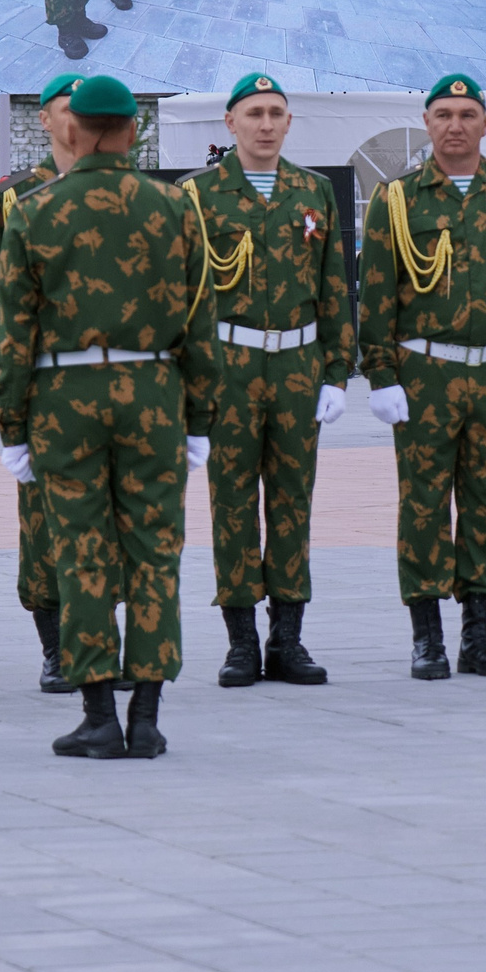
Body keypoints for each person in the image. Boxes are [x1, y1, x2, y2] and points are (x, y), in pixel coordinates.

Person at [0, 74, 218, 759]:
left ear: (74, 128)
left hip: (66, 398)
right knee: (157, 546)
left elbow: (15, 333)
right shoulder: (177, 207)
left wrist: (12, 426)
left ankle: (97, 712)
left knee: (80, 548)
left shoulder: (33, 211)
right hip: (152, 388)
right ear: (132, 130)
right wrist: (201, 416)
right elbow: (198, 319)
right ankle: (146, 714)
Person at [358, 74, 486, 679]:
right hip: (424, 374)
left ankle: (479, 635)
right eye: (443, 114)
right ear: (426, 122)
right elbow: (375, 294)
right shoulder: (396, 199)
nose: (455, 125)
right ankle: (427, 638)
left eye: (467, 114)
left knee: (485, 503)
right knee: (422, 505)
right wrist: (381, 374)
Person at [183, 75, 353, 686]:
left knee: (291, 503)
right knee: (230, 502)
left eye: (276, 113)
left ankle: (288, 639)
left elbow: (335, 284)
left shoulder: (313, 192)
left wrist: (338, 372)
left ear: (288, 122)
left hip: (297, 367)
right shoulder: (197, 196)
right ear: (229, 123)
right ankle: (240, 642)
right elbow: (184, 296)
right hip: (228, 366)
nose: (265, 124)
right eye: (253, 113)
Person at [0, 73, 85, 693]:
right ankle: (55, 648)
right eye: (63, 110)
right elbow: (4, 305)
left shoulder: (135, 192)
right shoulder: (14, 197)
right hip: (47, 386)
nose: (76, 120)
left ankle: (108, 640)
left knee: (118, 520)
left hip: (120, 382)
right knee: (43, 521)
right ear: (43, 121)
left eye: (86, 109)